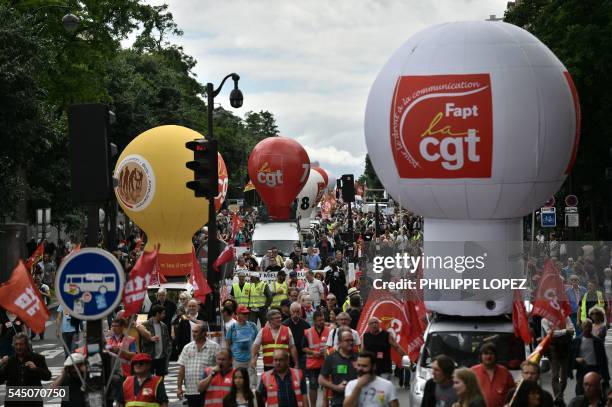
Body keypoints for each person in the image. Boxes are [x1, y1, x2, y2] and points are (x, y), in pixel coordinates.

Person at [0, 333, 51, 407]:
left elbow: (47, 376)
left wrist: (36, 369)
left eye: (21, 344)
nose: (18, 347)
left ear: (26, 345)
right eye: (16, 344)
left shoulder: (38, 358)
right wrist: (1, 365)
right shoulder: (9, 361)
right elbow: (1, 379)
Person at [178, 323, 220, 407]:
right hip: (191, 389)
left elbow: (220, 366)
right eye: (193, 331)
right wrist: (179, 388)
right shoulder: (187, 347)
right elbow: (182, 368)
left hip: (208, 389)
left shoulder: (214, 347)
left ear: (204, 333)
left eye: (196, 332)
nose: (193, 334)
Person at [319, 327, 359, 407]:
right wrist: (336, 387)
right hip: (339, 402)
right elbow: (321, 380)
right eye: (347, 340)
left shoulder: (359, 358)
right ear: (339, 343)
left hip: (358, 401)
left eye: (352, 340)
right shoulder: (331, 358)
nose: (350, 342)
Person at [569, 319, 610, 395]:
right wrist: (576, 360)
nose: (587, 329)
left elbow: (603, 359)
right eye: (585, 327)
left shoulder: (597, 341)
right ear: (582, 327)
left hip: (595, 368)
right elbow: (571, 356)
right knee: (580, 390)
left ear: (591, 328)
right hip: (582, 369)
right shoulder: (577, 341)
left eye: (589, 327)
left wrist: (605, 376)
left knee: (595, 390)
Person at [541, 315, 575, 402]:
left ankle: (560, 394)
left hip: (565, 347)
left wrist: (558, 332)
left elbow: (571, 330)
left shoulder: (565, 317)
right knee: (555, 374)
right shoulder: (545, 319)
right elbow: (550, 334)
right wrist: (564, 331)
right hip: (553, 348)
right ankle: (558, 397)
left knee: (564, 375)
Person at [470, 343, 514, 407]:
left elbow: (513, 393)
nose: (488, 356)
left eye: (491, 354)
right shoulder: (472, 371)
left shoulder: (505, 372)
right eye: (486, 353)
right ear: (481, 356)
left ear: (495, 356)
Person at [302, 310, 330, 407]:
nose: (321, 322)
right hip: (313, 364)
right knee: (313, 386)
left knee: (327, 386)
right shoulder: (308, 332)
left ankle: (324, 404)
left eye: (322, 319)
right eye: (319, 320)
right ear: (314, 321)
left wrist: (326, 352)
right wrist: (313, 352)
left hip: (326, 363)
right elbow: (303, 348)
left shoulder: (329, 330)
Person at [226, 305, 258, 387]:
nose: (246, 315)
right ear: (238, 314)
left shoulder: (252, 326)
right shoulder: (232, 328)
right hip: (237, 360)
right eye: (243, 313)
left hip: (250, 360)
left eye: (247, 313)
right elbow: (228, 344)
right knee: (239, 384)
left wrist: (255, 358)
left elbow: (257, 343)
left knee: (252, 385)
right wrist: (231, 358)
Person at [141, 304, 171, 376]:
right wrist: (150, 339)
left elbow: (167, 340)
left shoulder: (164, 326)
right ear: (157, 313)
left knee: (160, 380)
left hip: (162, 357)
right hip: (149, 357)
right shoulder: (145, 325)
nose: (164, 315)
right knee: (148, 379)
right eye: (163, 313)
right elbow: (141, 342)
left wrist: (167, 352)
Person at [31, 273, 50, 340]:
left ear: (41, 279)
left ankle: (41, 334)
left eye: (38, 279)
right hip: (34, 306)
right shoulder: (33, 286)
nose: (37, 280)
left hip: (42, 306)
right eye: (36, 279)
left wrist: (42, 293)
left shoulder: (45, 286)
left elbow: (49, 295)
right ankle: (33, 334)